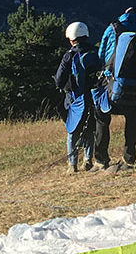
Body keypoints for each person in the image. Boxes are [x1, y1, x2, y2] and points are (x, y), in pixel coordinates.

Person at [90, 6, 136, 169]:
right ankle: (129, 156)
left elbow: (101, 55)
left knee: (102, 117)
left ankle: (101, 159)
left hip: (112, 84)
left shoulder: (113, 28)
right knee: (132, 117)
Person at [54, 22, 99, 173]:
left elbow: (59, 80)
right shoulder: (96, 52)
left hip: (75, 98)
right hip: (94, 97)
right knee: (90, 128)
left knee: (72, 130)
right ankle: (88, 160)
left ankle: (72, 165)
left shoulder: (70, 55)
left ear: (71, 38)